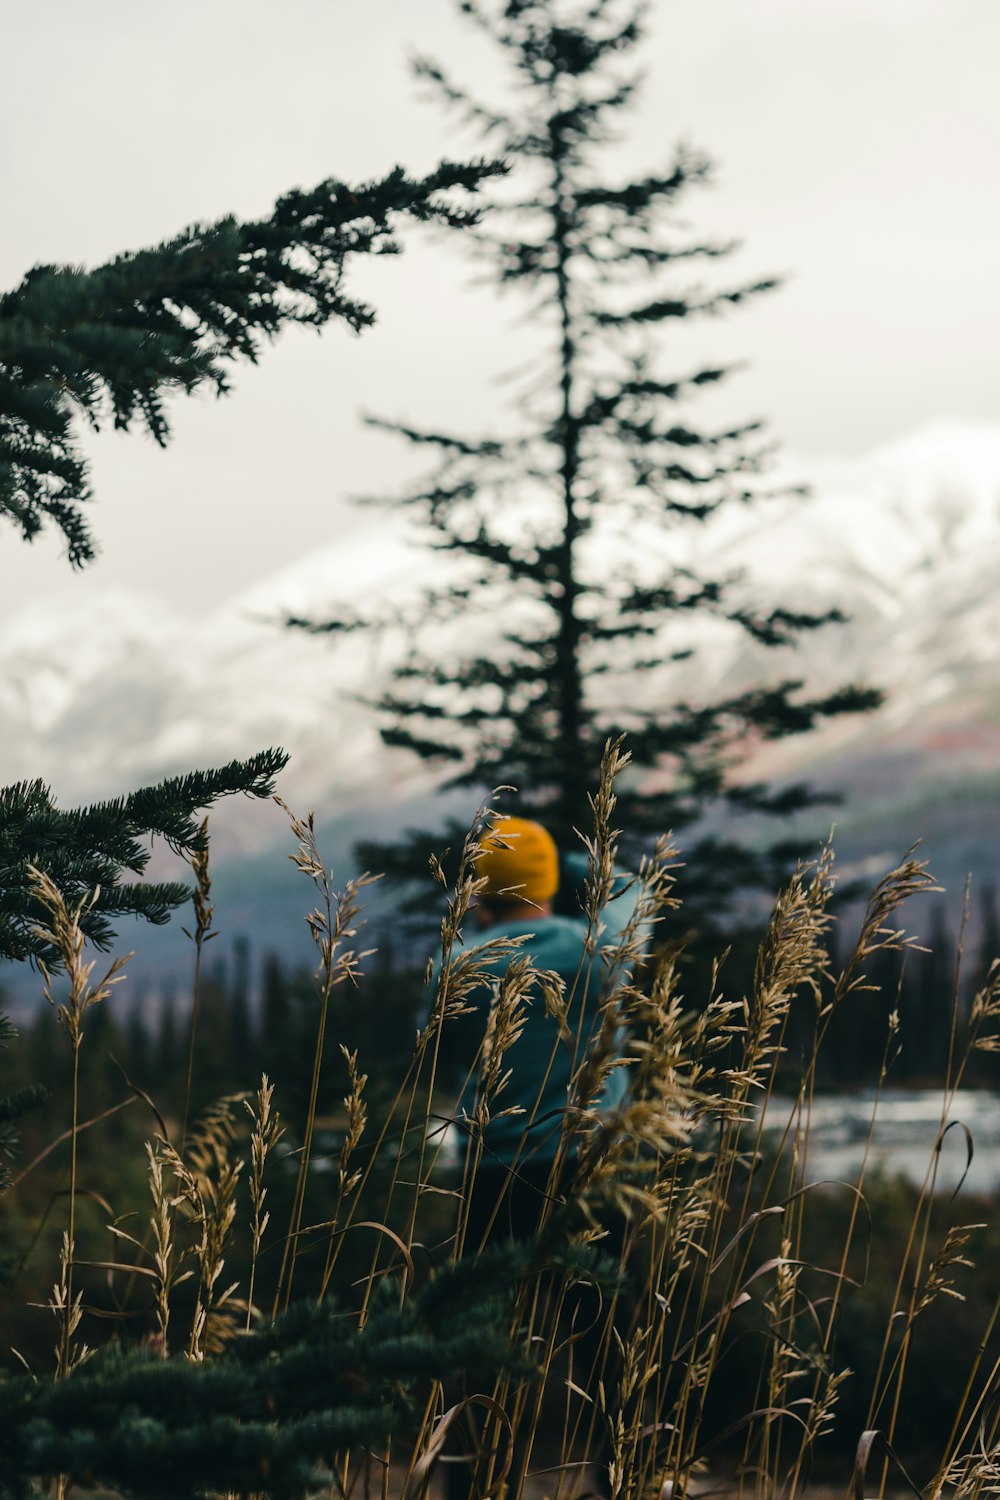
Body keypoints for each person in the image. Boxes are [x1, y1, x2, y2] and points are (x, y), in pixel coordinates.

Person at [435, 815, 645, 1500]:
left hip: (493, 1176)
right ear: (550, 882)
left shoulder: (456, 964)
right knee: (612, 1346)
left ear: (480, 889)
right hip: (593, 1171)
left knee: (477, 1348)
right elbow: (636, 889)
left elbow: (433, 1047)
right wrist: (568, 865)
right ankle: (616, 1483)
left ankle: (472, 1484)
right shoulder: (597, 950)